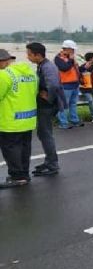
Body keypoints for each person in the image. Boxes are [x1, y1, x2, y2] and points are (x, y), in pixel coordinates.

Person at [0, 49, 38, 188]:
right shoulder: (29, 72)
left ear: (3, 62)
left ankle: (17, 176)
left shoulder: (4, 75)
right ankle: (24, 174)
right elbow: (35, 91)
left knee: (11, 149)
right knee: (24, 148)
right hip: (28, 119)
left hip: (10, 121)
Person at [26, 42, 63, 177]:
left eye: (29, 54)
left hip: (46, 107)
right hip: (44, 106)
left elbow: (53, 84)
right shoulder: (42, 65)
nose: (28, 57)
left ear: (37, 55)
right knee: (43, 134)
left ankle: (52, 164)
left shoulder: (48, 66)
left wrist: (48, 97)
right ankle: (49, 161)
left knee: (45, 134)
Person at [54, 39, 83, 129]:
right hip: (65, 85)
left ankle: (75, 121)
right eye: (72, 49)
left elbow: (75, 70)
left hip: (75, 85)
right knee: (63, 105)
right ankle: (64, 123)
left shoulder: (71, 58)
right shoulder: (58, 58)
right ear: (67, 49)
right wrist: (71, 60)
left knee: (73, 104)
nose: (74, 51)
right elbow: (64, 68)